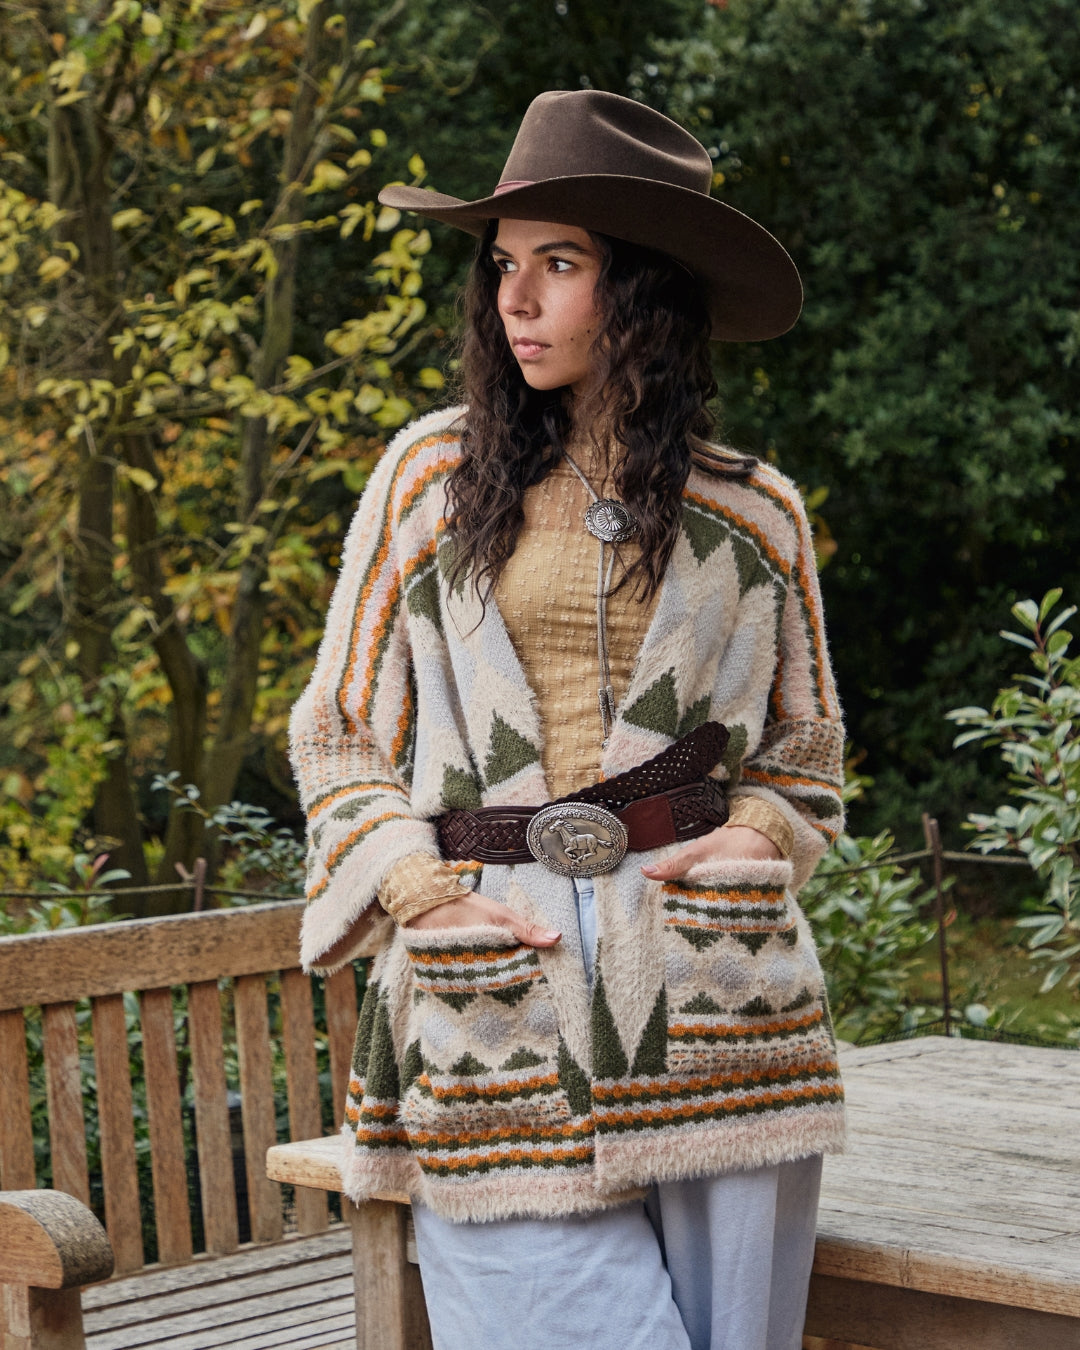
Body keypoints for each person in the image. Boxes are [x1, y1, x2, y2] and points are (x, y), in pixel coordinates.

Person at [289, 89, 845, 1350]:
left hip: (716, 978)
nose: (515, 300)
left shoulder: (758, 514)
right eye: (503, 266)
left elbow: (809, 742)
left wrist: (760, 830)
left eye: (559, 264)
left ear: (642, 288)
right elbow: (336, 730)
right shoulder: (432, 480)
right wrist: (417, 889)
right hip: (500, 968)